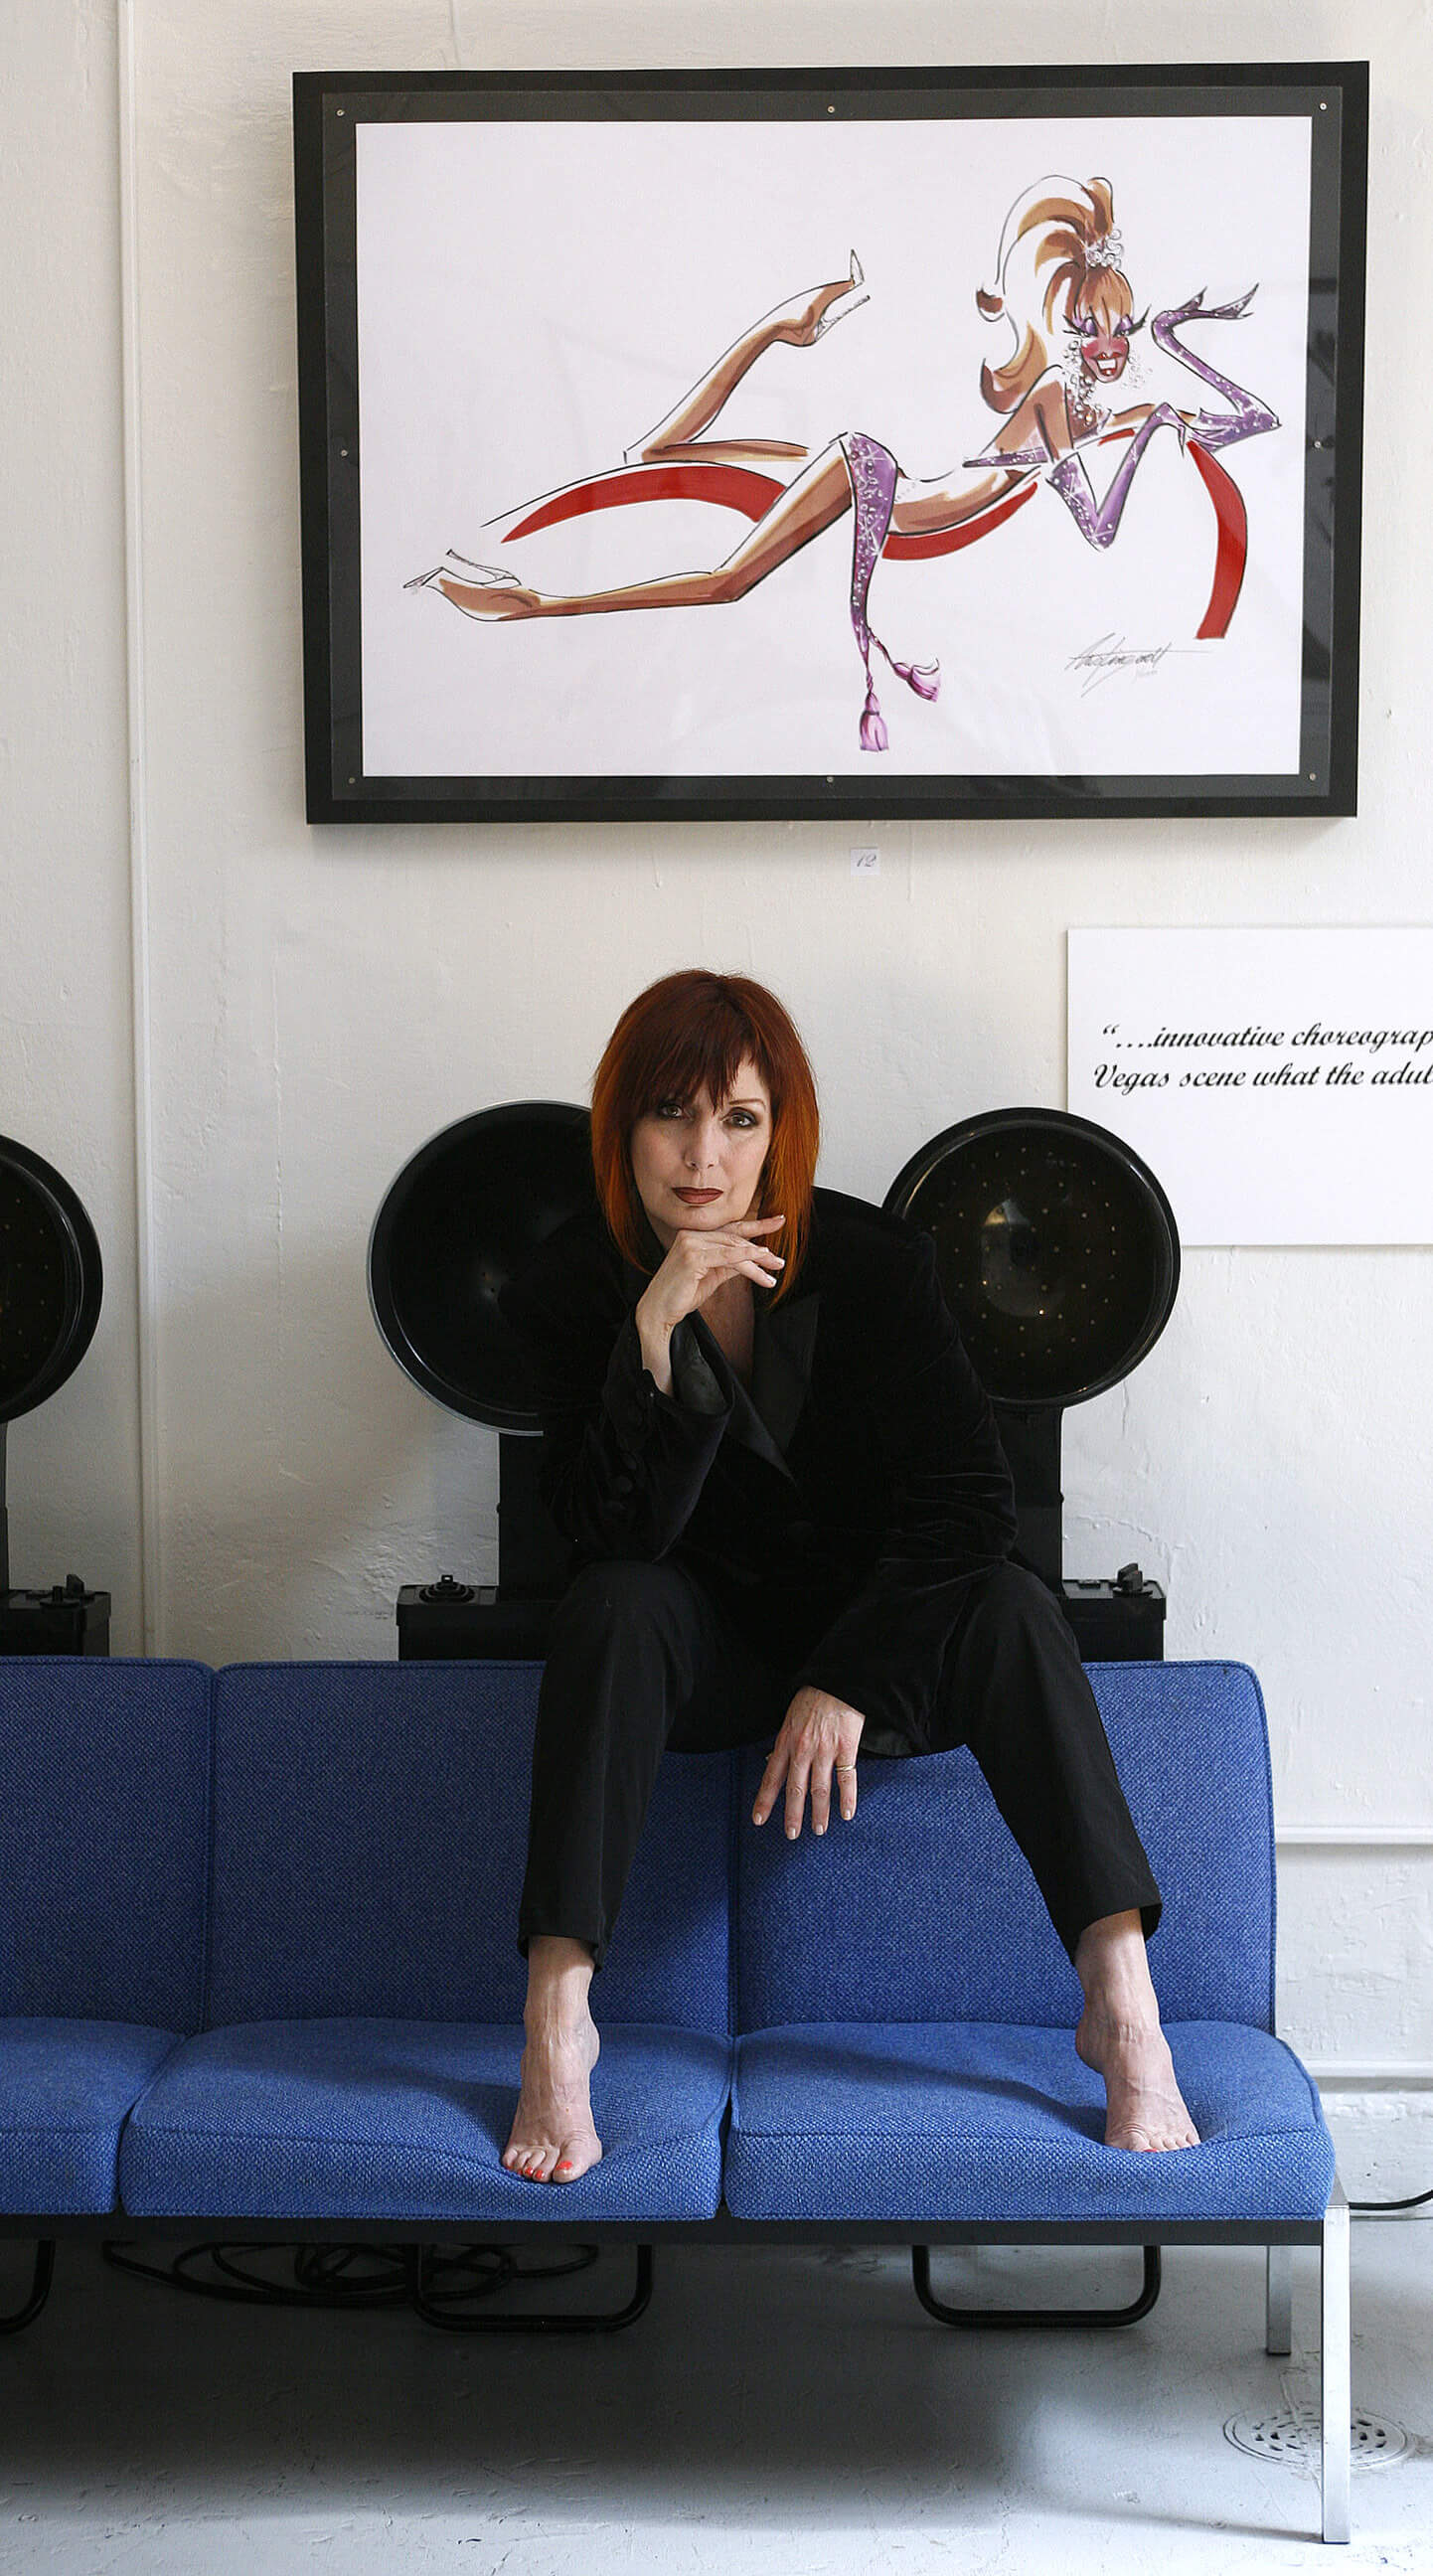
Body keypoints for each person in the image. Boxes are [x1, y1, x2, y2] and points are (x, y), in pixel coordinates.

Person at [496, 967, 1200, 2184]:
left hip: (873, 1654)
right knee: (614, 1603)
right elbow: (596, 1535)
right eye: (670, 1114)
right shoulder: (575, 1284)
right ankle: (557, 2016)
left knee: (1015, 1606)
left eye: (739, 1117)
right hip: (700, 1654)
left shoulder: (874, 1265)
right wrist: (654, 1341)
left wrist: (844, 1679)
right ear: (622, 1127)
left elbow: (969, 1504)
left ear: (784, 1128)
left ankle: (1119, 1996)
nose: (701, 1155)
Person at [411, 176, 1276, 748]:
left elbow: (1254, 418)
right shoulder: (1055, 394)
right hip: (879, 483)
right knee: (728, 580)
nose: (1111, 344)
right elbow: (1099, 525)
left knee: (661, 455)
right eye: (1094, 327)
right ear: (1067, 329)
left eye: (1125, 328)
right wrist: (1157, 413)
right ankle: (531, 606)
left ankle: (782, 327)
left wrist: (1174, 344)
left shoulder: (1094, 410)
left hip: (885, 479)